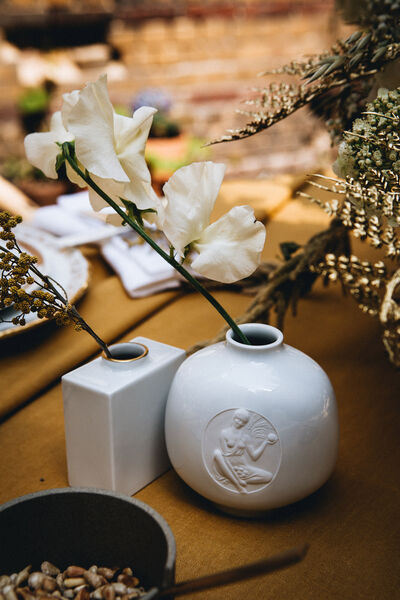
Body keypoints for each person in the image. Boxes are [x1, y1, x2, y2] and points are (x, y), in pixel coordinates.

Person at [212, 408, 277, 493]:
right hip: (225, 464)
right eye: (237, 419)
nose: (239, 422)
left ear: (244, 423)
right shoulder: (224, 433)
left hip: (241, 467)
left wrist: (265, 443)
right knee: (217, 453)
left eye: (242, 421)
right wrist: (238, 480)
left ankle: (232, 479)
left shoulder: (245, 437)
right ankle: (237, 485)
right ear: (233, 418)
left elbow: (254, 457)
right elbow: (226, 457)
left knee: (268, 476)